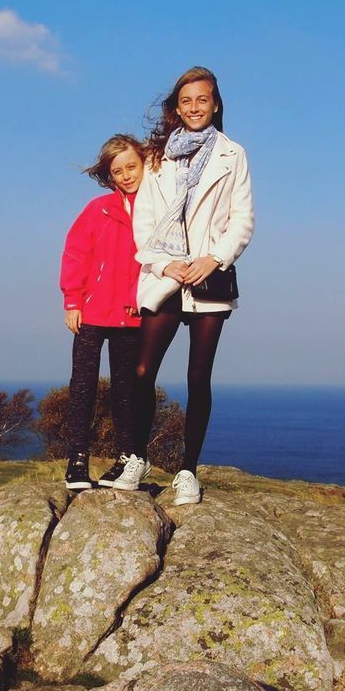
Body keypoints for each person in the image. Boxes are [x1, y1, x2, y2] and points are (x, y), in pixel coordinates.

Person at [111, 66, 254, 505]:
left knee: (198, 377)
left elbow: (242, 220)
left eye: (203, 100)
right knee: (141, 372)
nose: (195, 107)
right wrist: (167, 264)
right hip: (166, 278)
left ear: (215, 104)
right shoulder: (157, 157)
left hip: (211, 282)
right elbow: (146, 222)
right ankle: (136, 456)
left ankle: (188, 471)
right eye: (186, 101)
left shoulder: (234, 154)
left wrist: (212, 258)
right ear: (177, 107)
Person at [58, 134, 147, 491]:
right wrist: (72, 301)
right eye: (118, 171)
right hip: (91, 314)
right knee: (82, 388)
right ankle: (77, 460)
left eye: (131, 167)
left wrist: (138, 297)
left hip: (133, 314)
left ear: (145, 165)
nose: (126, 175)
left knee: (126, 391)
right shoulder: (98, 209)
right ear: (109, 176)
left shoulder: (157, 210)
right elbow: (75, 254)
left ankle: (126, 459)